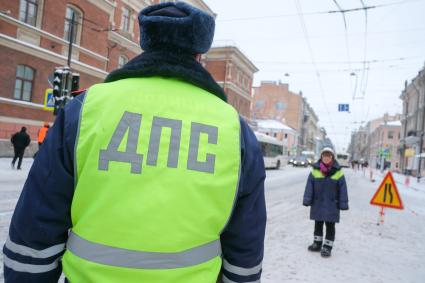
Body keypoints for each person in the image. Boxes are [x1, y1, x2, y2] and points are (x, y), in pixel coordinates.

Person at [3, 2, 266, 283]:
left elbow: (37, 221)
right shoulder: (233, 128)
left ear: (146, 43)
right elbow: (245, 246)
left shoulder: (86, 108)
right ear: (199, 54)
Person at [303, 147, 349, 257]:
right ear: (321, 157)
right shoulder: (315, 170)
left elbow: (343, 189)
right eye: (324, 155)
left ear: (332, 157)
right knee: (318, 224)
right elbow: (309, 186)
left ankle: (327, 247)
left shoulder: (338, 172)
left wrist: (343, 203)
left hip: (332, 204)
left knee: (330, 225)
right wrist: (307, 199)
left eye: (328, 156)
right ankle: (317, 244)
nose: (326, 158)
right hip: (318, 203)